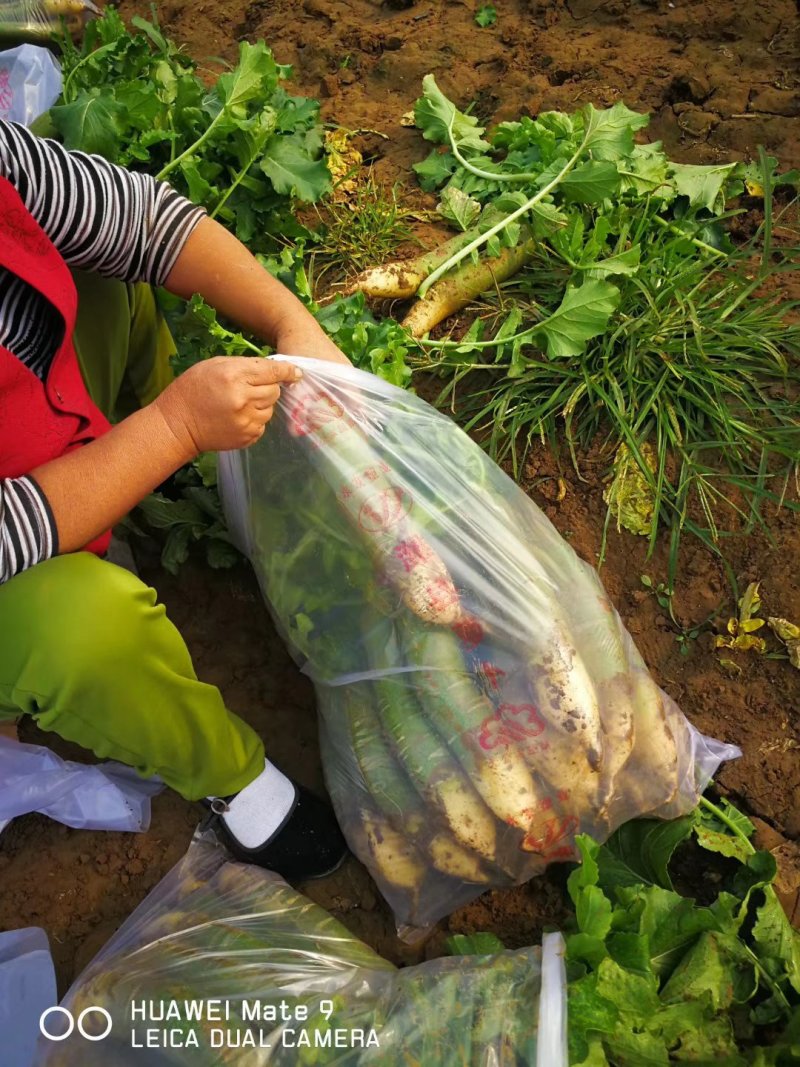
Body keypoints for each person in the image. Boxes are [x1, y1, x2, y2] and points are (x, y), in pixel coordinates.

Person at [0, 118, 351, 879]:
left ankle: (174, 469)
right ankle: (234, 782)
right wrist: (175, 426)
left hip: (39, 409)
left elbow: (140, 219)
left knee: (98, 265)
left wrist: (293, 323)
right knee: (86, 632)